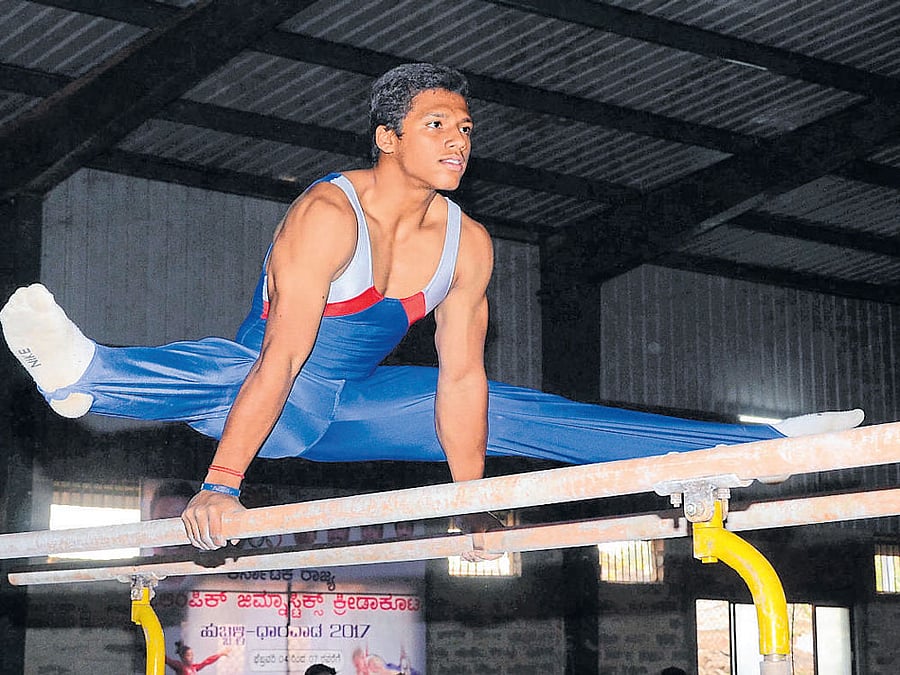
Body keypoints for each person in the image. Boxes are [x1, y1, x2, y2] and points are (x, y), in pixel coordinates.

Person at [0, 63, 865, 555]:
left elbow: (458, 382)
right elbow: (281, 360)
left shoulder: (470, 244)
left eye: (466, 130)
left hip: (361, 409)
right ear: (387, 138)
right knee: (234, 368)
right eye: (438, 124)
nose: (458, 140)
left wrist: (471, 503)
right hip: (275, 399)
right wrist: (223, 485)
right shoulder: (326, 215)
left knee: (518, 408)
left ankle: (770, 445)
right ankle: (97, 375)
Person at [165, 640, 229, 674]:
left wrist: (221, 654)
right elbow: (167, 660)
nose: (192, 657)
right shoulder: (179, 666)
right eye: (188, 655)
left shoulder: (194, 668)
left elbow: (207, 661)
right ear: (183, 657)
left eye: (192, 654)